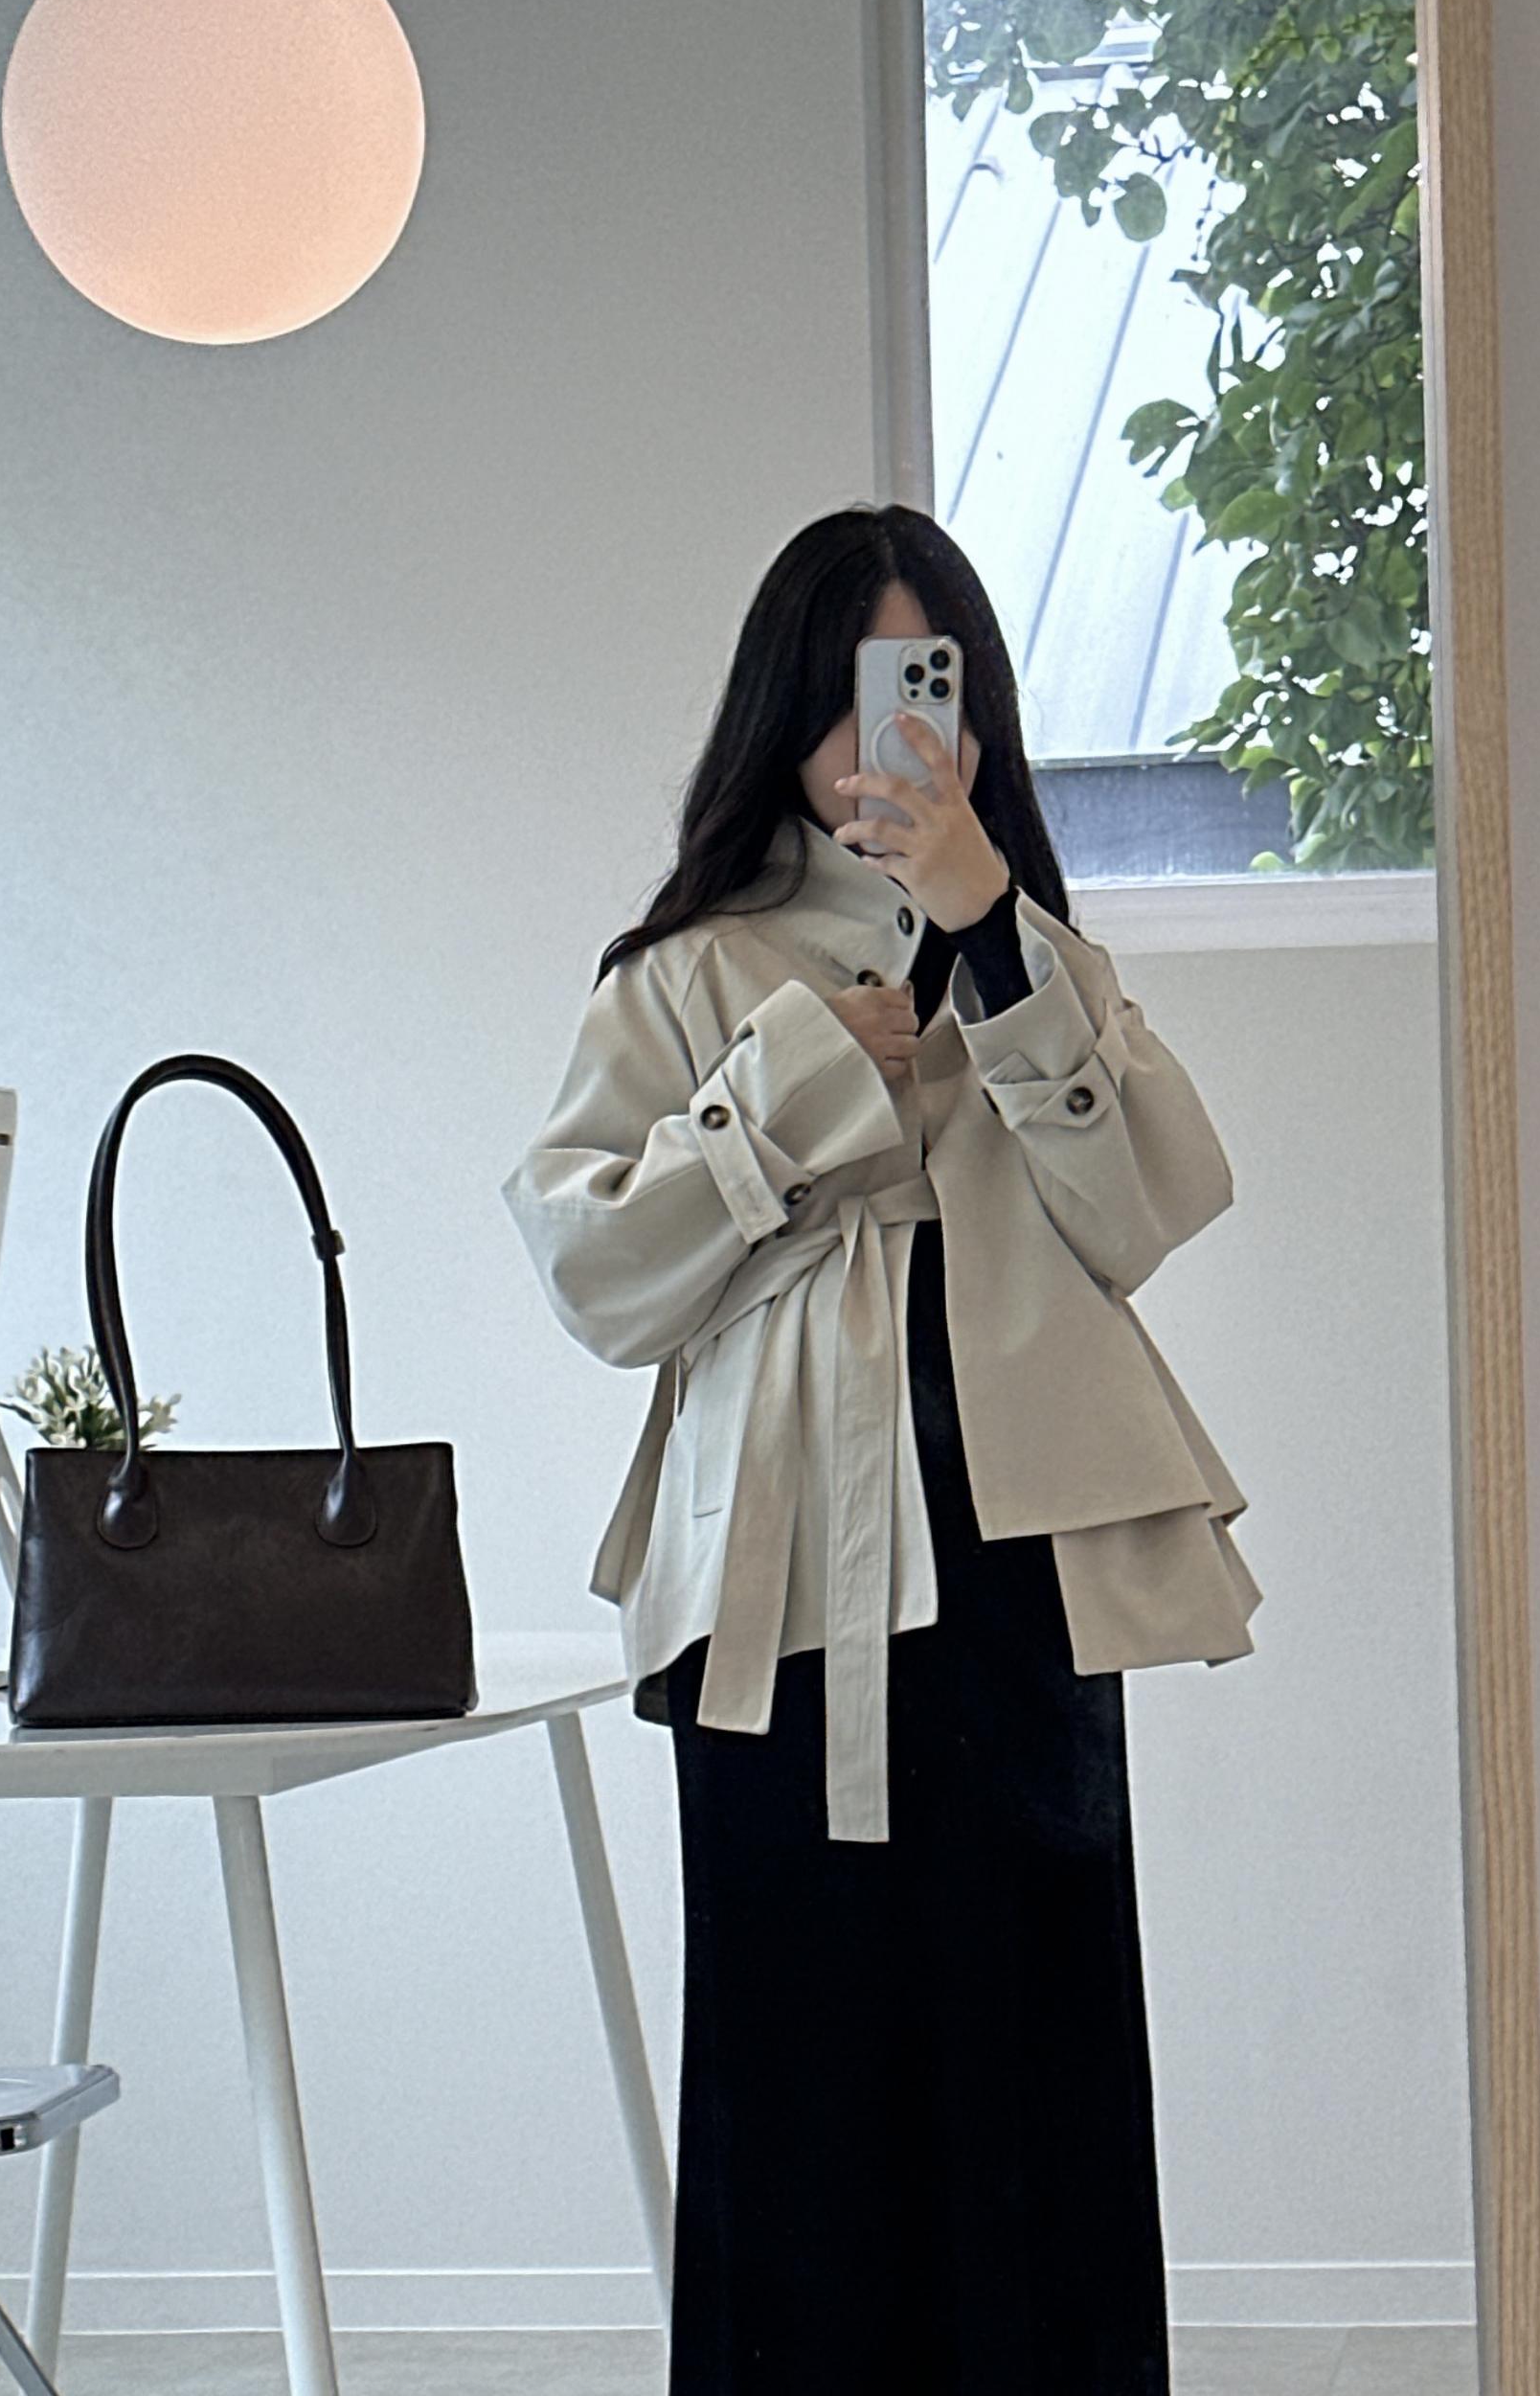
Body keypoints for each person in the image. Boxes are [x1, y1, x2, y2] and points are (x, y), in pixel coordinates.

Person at [501, 502, 1261, 2392]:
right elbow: (597, 1275)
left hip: (1020, 1584)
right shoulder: (684, 975)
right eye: (858, 694)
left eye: (931, 692)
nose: (889, 743)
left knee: (1043, 2091)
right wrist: (796, 1081)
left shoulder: (1043, 960)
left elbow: (1146, 1211)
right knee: (798, 2101)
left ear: (979, 718)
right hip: (775, 1596)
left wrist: (993, 929)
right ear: (788, 708)